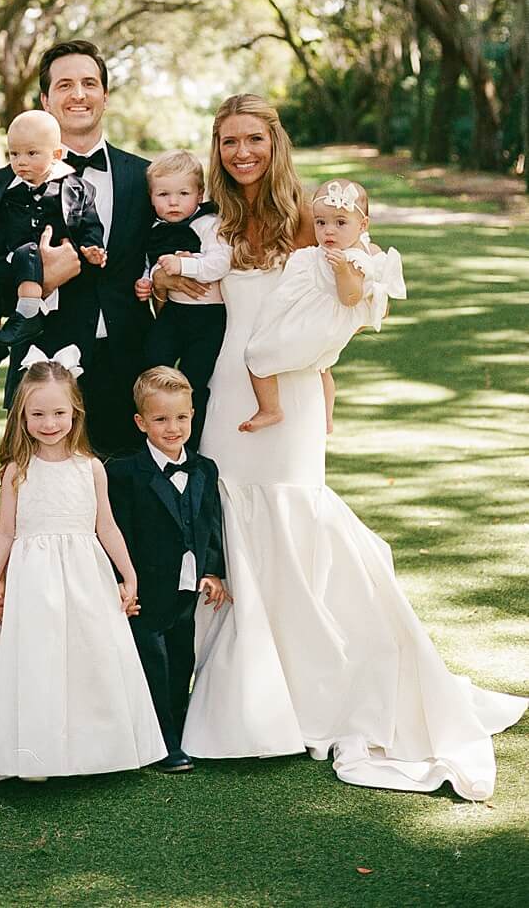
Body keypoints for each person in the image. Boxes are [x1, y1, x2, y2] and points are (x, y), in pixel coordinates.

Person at [177, 94, 526, 800]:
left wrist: (320, 363)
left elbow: (357, 297)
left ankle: (322, 684)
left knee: (296, 519)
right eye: (228, 141)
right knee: (233, 520)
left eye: (253, 139)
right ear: (216, 149)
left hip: (290, 397)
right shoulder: (215, 221)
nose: (241, 152)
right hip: (229, 393)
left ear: (275, 143)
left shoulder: (313, 213)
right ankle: (248, 691)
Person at [0, 350, 166, 780]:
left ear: (75, 412)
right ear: (23, 416)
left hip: (85, 576)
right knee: (39, 661)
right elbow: (5, 531)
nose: (49, 423)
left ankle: (97, 749)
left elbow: (107, 525)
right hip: (33, 581)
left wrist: (129, 573)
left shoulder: (90, 468)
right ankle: (37, 754)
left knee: (91, 658)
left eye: (59, 412)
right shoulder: (16, 471)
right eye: (38, 414)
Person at [0, 40, 153, 459]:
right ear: (45, 100)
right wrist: (43, 280)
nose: (78, 94)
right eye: (64, 85)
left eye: (89, 83)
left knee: (125, 510)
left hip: (127, 368)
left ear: (104, 95)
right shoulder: (5, 181)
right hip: (45, 365)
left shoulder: (143, 176)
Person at [106, 367, 230, 773]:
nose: (172, 428)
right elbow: (115, 533)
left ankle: (177, 730)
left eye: (181, 418)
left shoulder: (205, 469)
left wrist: (212, 571)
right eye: (160, 419)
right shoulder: (124, 473)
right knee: (150, 663)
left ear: (193, 415)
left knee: (181, 661)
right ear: (141, 422)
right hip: (143, 591)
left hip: (185, 589)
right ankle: (161, 742)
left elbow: (211, 524)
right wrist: (123, 582)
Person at [238, 178, 404, 434]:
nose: (328, 231)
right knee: (323, 369)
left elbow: (350, 297)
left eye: (340, 223)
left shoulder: (352, 259)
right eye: (321, 222)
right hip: (324, 326)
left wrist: (342, 272)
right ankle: (326, 418)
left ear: (363, 225)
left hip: (319, 322)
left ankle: (270, 408)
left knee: (257, 355)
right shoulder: (346, 249)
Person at [0, 110, 106, 374]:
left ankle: (27, 314)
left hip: (49, 262)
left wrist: (92, 248)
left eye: (31, 154)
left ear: (55, 155)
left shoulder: (75, 187)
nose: (21, 162)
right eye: (14, 154)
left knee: (28, 252)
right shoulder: (4, 186)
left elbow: (90, 223)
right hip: (12, 262)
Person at [134, 150, 229, 443]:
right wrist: (147, 280)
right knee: (152, 359)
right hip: (174, 312)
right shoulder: (154, 228)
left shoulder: (208, 224)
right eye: (163, 194)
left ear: (199, 194)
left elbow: (221, 262)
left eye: (183, 193)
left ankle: (192, 439)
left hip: (208, 317)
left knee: (194, 378)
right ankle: (152, 428)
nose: (173, 202)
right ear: (151, 196)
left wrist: (185, 266)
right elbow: (151, 262)